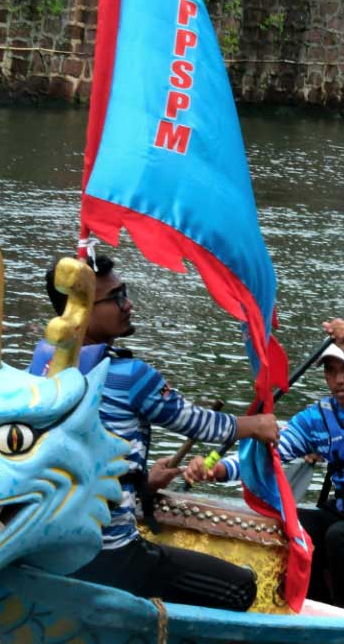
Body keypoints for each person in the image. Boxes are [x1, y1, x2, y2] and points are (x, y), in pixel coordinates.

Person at [38, 254, 279, 611]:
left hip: (49, 549)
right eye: (116, 297)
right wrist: (256, 426)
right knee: (241, 587)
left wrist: (144, 482)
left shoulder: (40, 368)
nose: (128, 305)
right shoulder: (130, 375)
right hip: (108, 555)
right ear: (81, 310)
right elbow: (199, 423)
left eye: (124, 293)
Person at [188, 320, 344, 614]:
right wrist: (217, 470)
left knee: (342, 537)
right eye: (330, 371)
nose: (338, 380)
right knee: (293, 526)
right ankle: (315, 607)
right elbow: (272, 451)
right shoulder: (317, 418)